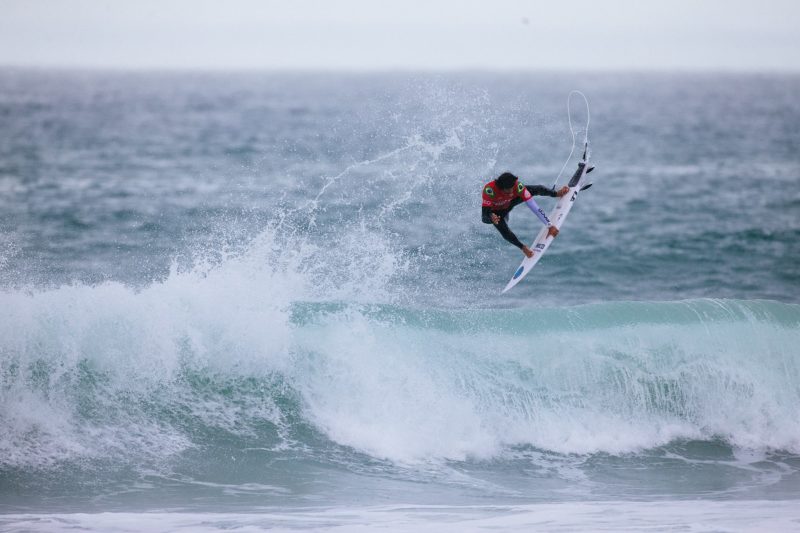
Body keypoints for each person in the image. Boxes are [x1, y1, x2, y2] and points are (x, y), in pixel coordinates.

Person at [481, 172, 569, 258]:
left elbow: (533, 206)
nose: (511, 192)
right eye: (508, 190)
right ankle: (523, 248)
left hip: (509, 204)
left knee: (537, 188)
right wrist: (491, 216)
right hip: (495, 213)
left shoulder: (517, 186)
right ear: (501, 187)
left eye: (512, 188)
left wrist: (549, 225)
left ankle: (556, 193)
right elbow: (485, 214)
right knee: (504, 229)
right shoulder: (490, 190)